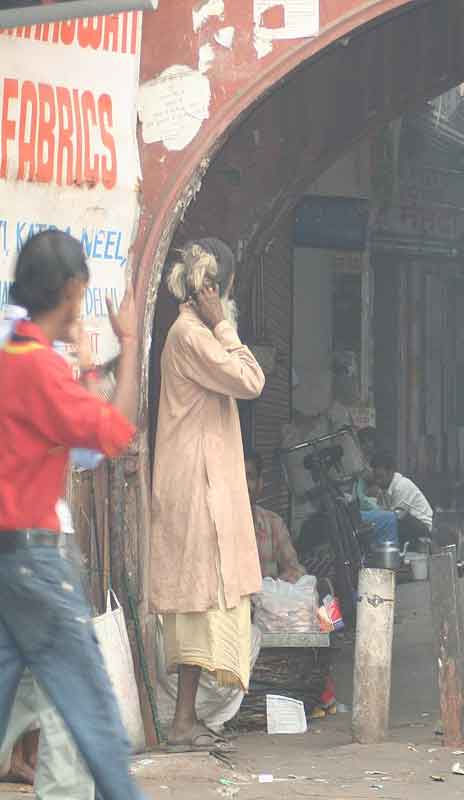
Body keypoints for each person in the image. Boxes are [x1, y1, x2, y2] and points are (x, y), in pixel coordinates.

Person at [0, 229, 144, 800]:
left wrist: (85, 365)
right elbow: (114, 431)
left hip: (9, 562)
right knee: (94, 715)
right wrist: (128, 344)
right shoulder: (38, 367)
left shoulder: (11, 359)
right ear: (69, 289)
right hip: (37, 561)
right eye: (82, 292)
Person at [151, 238, 265, 752]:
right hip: (197, 488)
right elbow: (251, 379)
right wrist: (223, 321)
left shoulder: (189, 334)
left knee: (201, 601)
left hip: (203, 485)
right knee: (199, 601)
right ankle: (180, 725)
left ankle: (184, 721)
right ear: (216, 289)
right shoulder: (194, 335)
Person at [245, 451, 306, 582]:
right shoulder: (214, 526)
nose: (242, 484)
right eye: (236, 476)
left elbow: (296, 570)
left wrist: (269, 590)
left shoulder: (273, 523)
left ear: (260, 483)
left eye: (249, 476)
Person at [370, 451, 434, 548]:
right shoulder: (383, 489)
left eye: (380, 477)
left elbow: (392, 519)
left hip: (423, 529)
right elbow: (380, 515)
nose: (377, 482)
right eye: (375, 478)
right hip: (407, 526)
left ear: (390, 472)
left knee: (396, 517)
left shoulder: (401, 486)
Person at [355, 427, 399, 547]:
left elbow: (374, 483)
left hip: (372, 502)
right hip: (365, 503)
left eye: (368, 441)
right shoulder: (359, 460)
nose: (366, 445)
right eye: (362, 442)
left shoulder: (374, 462)